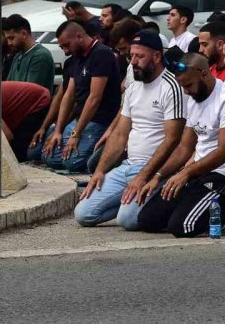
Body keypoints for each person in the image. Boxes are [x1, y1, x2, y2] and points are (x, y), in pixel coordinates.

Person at [75, 31, 186, 229]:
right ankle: (131, 201)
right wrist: (100, 171)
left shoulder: (171, 86)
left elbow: (173, 139)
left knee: (127, 220)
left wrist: (144, 176)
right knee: (83, 214)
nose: (133, 61)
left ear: (157, 57)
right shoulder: (134, 86)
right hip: (128, 166)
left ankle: (150, 201)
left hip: (154, 169)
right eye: (131, 56)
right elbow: (119, 134)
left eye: (139, 56)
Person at [137, 52, 225, 237]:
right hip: (199, 172)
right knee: (148, 220)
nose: (186, 91)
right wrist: (158, 177)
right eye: (183, 86)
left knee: (183, 227)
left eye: (189, 85)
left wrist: (185, 173)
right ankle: (204, 210)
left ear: (205, 74)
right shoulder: (193, 99)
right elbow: (185, 148)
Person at [37, 21, 120, 172]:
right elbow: (68, 95)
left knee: (72, 162)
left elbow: (94, 98)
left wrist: (76, 134)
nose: (65, 51)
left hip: (99, 120)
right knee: (46, 155)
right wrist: (58, 130)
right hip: (78, 118)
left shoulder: (101, 54)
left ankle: (106, 153)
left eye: (67, 45)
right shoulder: (77, 57)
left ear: (79, 37)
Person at [2, 14, 56, 96]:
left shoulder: (40, 56)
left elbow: (30, 93)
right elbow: (7, 85)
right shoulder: (18, 55)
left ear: (23, 34)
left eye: (11, 38)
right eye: (7, 39)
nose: (9, 43)